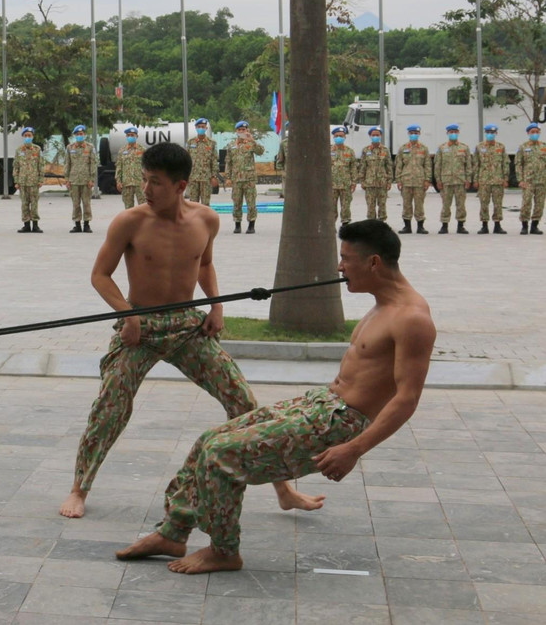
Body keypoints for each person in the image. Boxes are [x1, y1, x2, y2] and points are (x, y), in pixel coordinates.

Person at [116, 219, 435, 574]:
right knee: (209, 439)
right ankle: (173, 532)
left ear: (374, 263)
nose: (339, 267)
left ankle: (224, 551)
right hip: (322, 403)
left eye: (345, 259)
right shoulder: (382, 304)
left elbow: (407, 399)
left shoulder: (412, 319)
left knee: (223, 456)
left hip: (340, 424)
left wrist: (354, 448)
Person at [60, 141, 326, 522]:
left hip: (187, 324)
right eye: (144, 180)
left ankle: (283, 490)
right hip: (143, 325)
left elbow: (204, 266)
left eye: (156, 183)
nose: (147, 190)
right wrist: (127, 314)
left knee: (243, 401)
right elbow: (100, 276)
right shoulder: (130, 221)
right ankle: (78, 488)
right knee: (110, 407)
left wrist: (217, 305)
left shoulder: (206, 220)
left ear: (181, 186)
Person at [222, 121, 260, 234]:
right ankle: (237, 224)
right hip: (236, 179)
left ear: (247, 130)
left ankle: (251, 225)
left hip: (249, 179)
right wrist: (227, 177)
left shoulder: (251, 143)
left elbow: (260, 151)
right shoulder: (232, 145)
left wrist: (252, 140)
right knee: (236, 202)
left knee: (251, 203)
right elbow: (228, 162)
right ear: (236, 131)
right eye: (239, 130)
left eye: (243, 130)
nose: (241, 132)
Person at [434, 123, 470, 234]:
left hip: (460, 180)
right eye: (451, 132)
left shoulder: (464, 148)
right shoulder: (442, 148)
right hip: (446, 181)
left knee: (461, 204)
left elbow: (468, 165)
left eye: (455, 132)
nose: (453, 134)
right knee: (446, 204)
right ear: (447, 133)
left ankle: (461, 225)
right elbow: (437, 165)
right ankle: (444, 225)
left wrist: (468, 179)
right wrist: (438, 180)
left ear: (458, 133)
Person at [395, 124, 431, 234]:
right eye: (411, 133)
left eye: (415, 133)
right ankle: (407, 226)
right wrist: (398, 180)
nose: (413, 135)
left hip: (419, 181)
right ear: (408, 134)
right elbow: (398, 165)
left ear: (419, 134)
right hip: (406, 181)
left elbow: (428, 165)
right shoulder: (403, 148)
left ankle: (420, 226)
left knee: (419, 204)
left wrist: (427, 180)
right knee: (406, 204)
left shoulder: (424, 149)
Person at [473, 124, 508, 234]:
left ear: (496, 134)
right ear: (485, 133)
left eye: (492, 133)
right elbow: (476, 164)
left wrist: (505, 178)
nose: (490, 135)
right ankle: (484, 225)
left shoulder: (501, 147)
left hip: (498, 180)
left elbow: (505, 163)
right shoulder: (479, 147)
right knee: (484, 203)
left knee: (497, 203)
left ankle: (497, 225)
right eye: (488, 132)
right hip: (483, 180)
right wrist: (475, 179)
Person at [64, 124, 98, 232]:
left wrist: (92, 179)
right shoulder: (70, 148)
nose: (80, 135)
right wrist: (67, 179)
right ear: (74, 135)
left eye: (81, 134)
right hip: (73, 180)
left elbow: (93, 163)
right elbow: (67, 164)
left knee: (86, 203)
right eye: (78, 134)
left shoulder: (90, 147)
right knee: (75, 203)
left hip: (86, 180)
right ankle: (77, 224)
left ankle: (87, 224)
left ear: (84, 135)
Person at [13, 126, 44, 233]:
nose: (27, 137)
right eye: (25, 135)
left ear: (33, 136)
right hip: (22, 182)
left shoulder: (37, 149)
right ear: (23, 136)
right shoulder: (19, 150)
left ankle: (35, 225)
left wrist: (41, 179)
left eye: (29, 136)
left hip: (34, 181)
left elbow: (41, 165)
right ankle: (26, 224)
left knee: (34, 203)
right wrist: (16, 181)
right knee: (24, 203)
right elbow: (16, 166)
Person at [359, 125, 393, 222]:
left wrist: (389, 181)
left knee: (382, 205)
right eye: (373, 135)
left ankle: (381, 223)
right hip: (369, 183)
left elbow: (389, 166)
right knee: (370, 205)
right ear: (370, 136)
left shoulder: (385, 150)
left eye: (377, 135)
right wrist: (362, 180)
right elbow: (362, 166)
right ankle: (371, 224)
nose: (375, 136)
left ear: (380, 136)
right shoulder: (366, 150)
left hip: (382, 183)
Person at [518, 123, 545, 234]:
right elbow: (519, 164)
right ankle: (524, 225)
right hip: (528, 181)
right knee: (526, 203)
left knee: (540, 204)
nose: (535, 134)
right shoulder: (523, 147)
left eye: (537, 132)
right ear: (528, 133)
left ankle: (535, 225)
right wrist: (520, 179)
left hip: (542, 180)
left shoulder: (544, 147)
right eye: (532, 132)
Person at [185, 119, 218, 206]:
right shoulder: (190, 142)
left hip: (206, 177)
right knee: (193, 203)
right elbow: (186, 160)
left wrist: (214, 176)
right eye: (199, 127)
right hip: (193, 177)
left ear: (206, 128)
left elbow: (214, 160)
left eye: (203, 127)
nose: (201, 128)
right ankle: (193, 220)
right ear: (196, 128)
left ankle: (204, 219)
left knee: (205, 203)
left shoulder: (212, 143)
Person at [330, 125, 358, 226]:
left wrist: (354, 182)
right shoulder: (329, 150)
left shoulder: (349, 151)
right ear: (333, 137)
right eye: (337, 136)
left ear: (345, 137)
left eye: (341, 136)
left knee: (346, 207)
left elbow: (353, 167)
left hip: (345, 184)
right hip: (331, 185)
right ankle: (331, 227)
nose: (339, 138)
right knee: (331, 207)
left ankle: (345, 226)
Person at [116, 126, 144, 210]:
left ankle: (143, 223)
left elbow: (147, 167)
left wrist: (146, 182)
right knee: (128, 208)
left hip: (140, 182)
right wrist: (118, 181)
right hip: (126, 183)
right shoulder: (122, 150)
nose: (130, 137)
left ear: (136, 136)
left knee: (143, 206)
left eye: (132, 135)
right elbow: (119, 167)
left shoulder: (142, 150)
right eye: (128, 135)